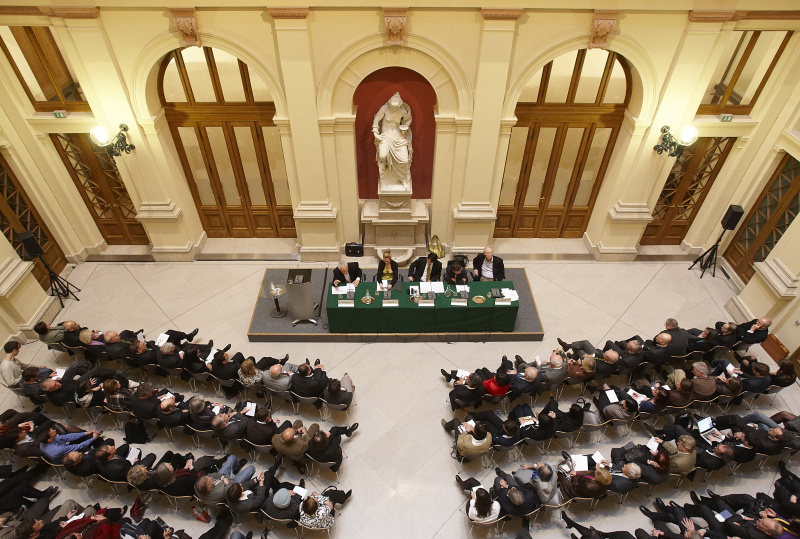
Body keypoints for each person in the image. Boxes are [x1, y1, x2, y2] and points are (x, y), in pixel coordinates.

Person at [372, 91, 413, 191]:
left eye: (396, 107)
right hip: (386, 136)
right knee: (382, 155)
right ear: (389, 103)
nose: (394, 109)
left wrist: (406, 126)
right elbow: (376, 119)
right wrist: (376, 133)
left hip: (399, 137)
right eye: (392, 107)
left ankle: (403, 179)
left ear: (400, 105)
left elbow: (409, 119)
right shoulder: (384, 109)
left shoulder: (403, 111)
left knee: (404, 160)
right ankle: (385, 177)